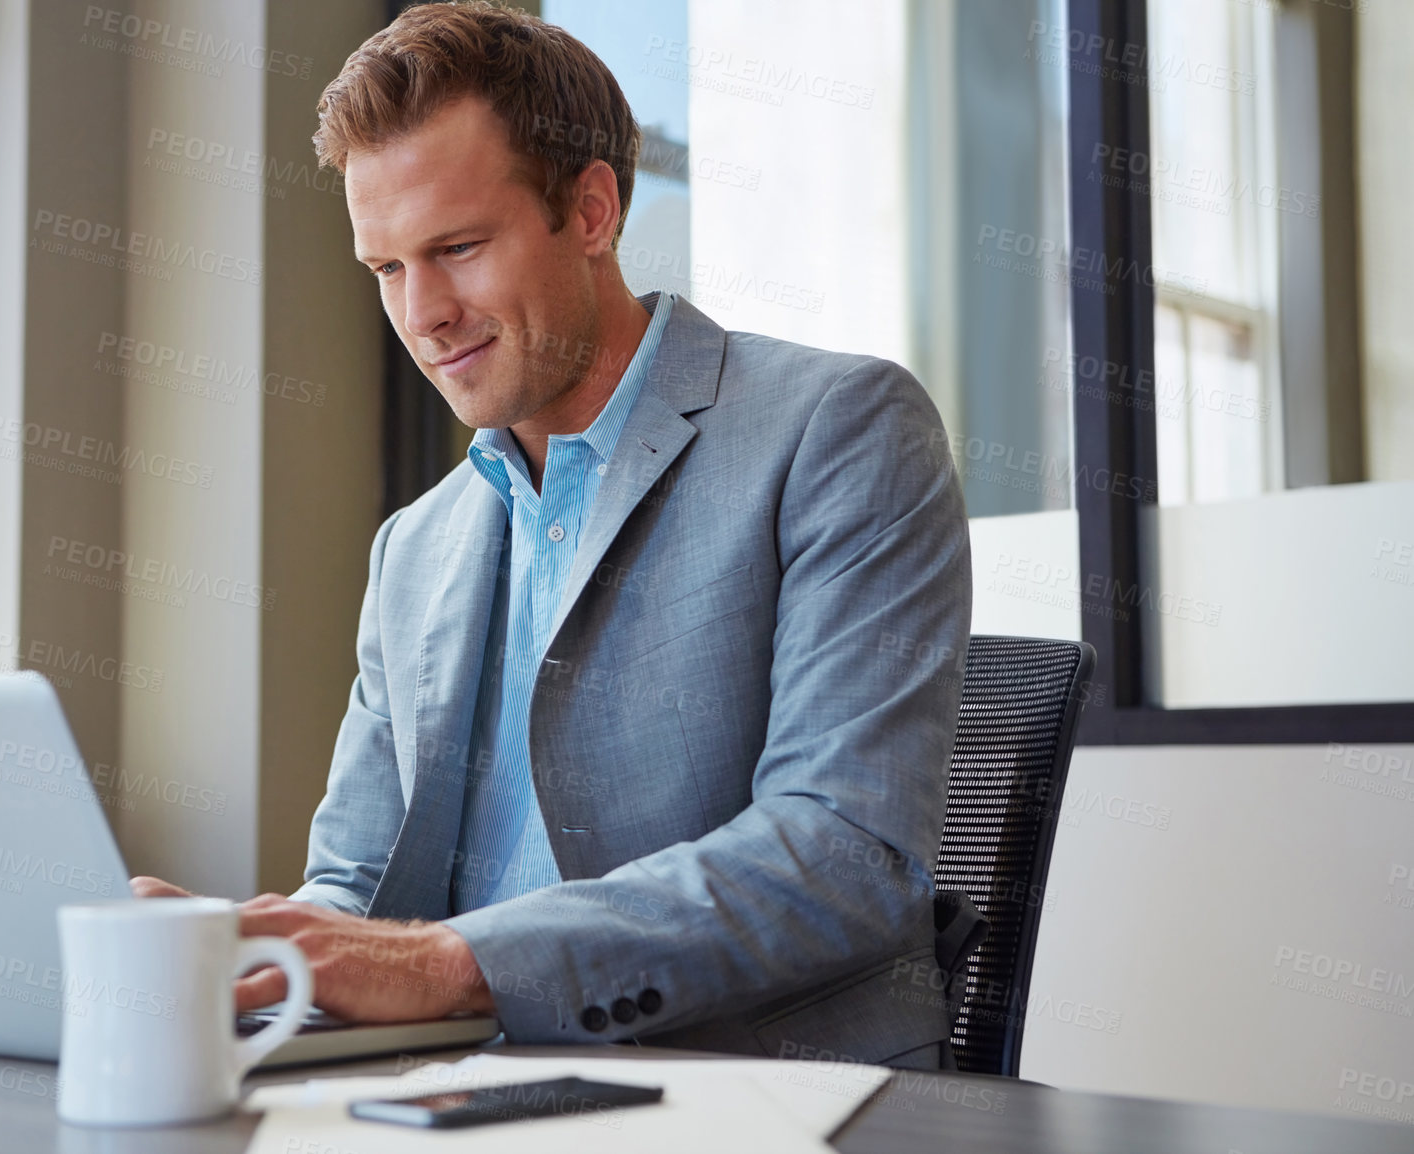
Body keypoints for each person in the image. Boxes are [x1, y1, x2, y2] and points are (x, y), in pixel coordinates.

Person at [134, 0, 971, 1069]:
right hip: (464, 1090)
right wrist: (244, 959)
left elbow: (841, 853)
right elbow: (354, 883)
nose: (422, 312)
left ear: (590, 210)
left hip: (755, 1090)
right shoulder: (415, 547)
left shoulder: (837, 431)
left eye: (458, 247)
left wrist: (442, 964)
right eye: (386, 267)